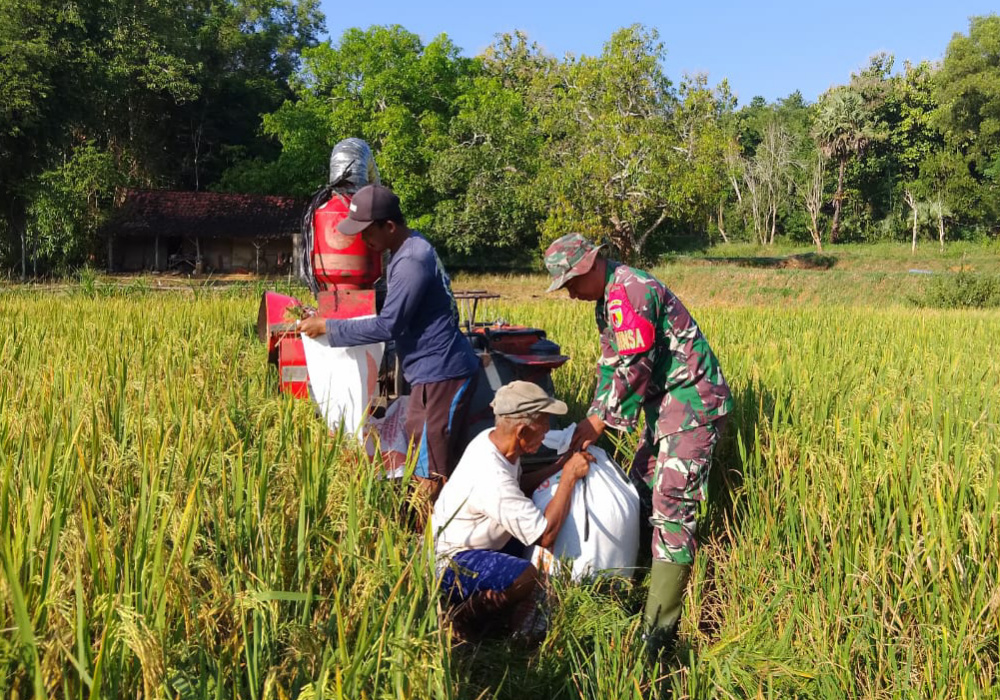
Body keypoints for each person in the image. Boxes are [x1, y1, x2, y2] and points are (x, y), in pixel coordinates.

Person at [543, 233, 733, 665]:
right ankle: (633, 590)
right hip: (664, 409)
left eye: (572, 281)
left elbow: (634, 365)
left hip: (691, 405)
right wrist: (594, 417)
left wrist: (597, 422)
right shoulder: (606, 301)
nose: (570, 293)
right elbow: (610, 368)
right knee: (638, 487)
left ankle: (658, 635)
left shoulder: (632, 289)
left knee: (671, 505)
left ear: (592, 263)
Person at [299, 184, 480, 502]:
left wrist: (329, 327)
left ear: (390, 226)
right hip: (429, 373)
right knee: (417, 443)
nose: (362, 240)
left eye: (366, 232)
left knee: (431, 469)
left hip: (443, 374)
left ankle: (431, 541)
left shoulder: (410, 260)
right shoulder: (410, 247)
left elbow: (389, 325)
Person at [432, 381, 593, 639]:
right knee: (527, 576)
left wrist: (559, 466)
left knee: (531, 553)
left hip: (480, 542)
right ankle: (463, 616)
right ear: (522, 431)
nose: (547, 432)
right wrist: (568, 478)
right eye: (543, 425)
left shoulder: (494, 441)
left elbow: (519, 485)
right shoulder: (492, 476)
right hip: (455, 561)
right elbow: (546, 535)